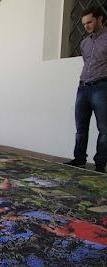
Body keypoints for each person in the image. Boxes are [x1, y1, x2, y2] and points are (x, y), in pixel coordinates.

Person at [65, 6, 107, 173]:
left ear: (100, 19)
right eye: (83, 24)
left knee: (104, 128)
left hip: (102, 86)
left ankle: (100, 164)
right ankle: (79, 160)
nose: (86, 26)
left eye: (89, 22)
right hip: (83, 87)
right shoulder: (84, 43)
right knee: (81, 127)